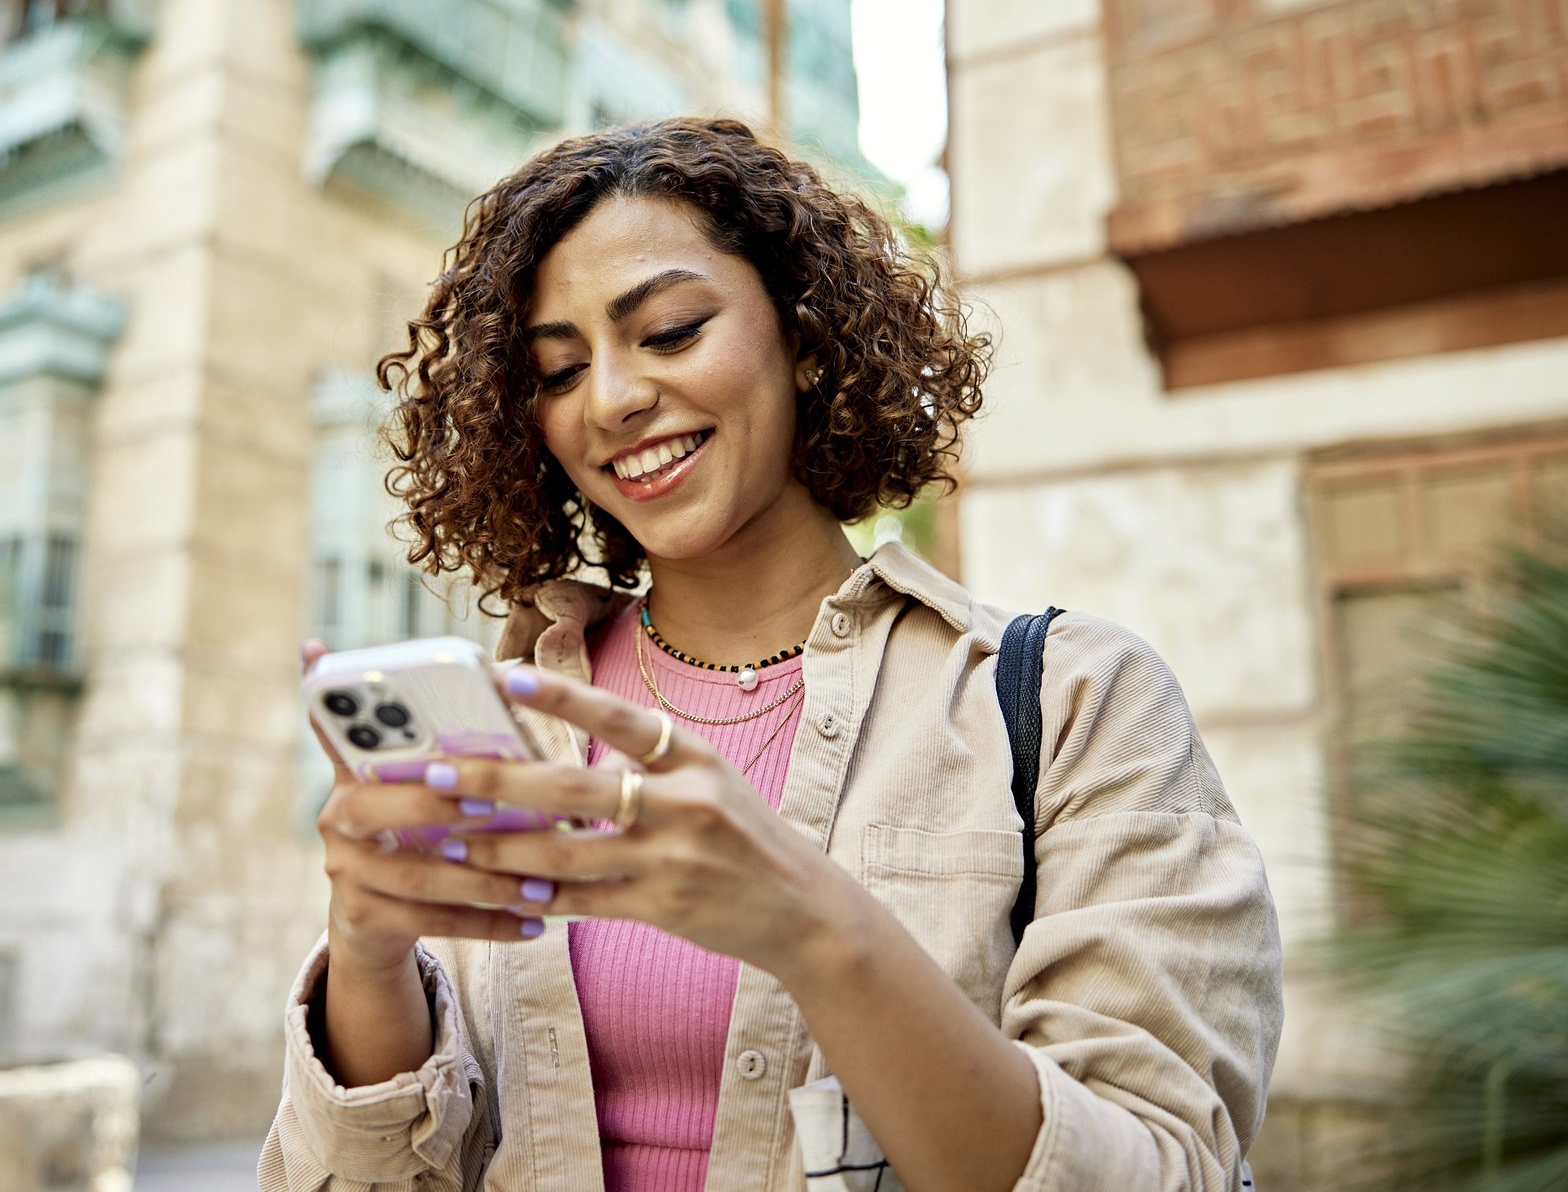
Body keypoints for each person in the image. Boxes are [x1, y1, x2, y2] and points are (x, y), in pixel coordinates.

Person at [259, 118, 1282, 1192]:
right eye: (557, 373)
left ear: (802, 335)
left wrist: (811, 927)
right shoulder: (513, 726)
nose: (609, 399)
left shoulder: (1069, 702)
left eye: (668, 331)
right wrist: (368, 960)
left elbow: (1166, 1168)